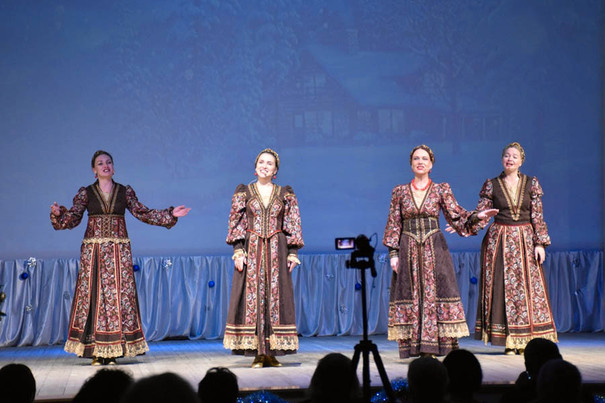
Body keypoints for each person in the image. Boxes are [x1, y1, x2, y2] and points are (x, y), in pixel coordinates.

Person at [50, 150, 190, 365]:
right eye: (100, 163)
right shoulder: (86, 193)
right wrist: (59, 214)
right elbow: (73, 218)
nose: (105, 165)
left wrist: (170, 214)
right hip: (94, 253)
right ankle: (96, 351)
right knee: (94, 298)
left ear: (113, 168)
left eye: (108, 162)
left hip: (119, 253)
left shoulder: (124, 192)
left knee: (119, 298)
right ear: (94, 170)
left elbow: (143, 212)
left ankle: (113, 351)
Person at [383, 144, 497, 358]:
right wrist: (393, 254)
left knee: (437, 293)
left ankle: (435, 347)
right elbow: (394, 223)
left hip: (434, 248)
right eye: (416, 158)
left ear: (431, 164)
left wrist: (477, 216)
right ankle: (416, 347)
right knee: (411, 293)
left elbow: (456, 214)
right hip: (408, 248)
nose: (420, 162)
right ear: (411, 164)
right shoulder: (399, 191)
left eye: (424, 159)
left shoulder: (440, 189)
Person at [472, 142, 557, 354]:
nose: (510, 159)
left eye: (514, 156)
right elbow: (482, 214)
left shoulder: (531, 183)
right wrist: (469, 222)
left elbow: (537, 215)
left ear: (521, 161)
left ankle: (526, 340)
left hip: (525, 241)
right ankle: (509, 340)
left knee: (526, 290)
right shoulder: (492, 184)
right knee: (502, 288)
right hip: (499, 241)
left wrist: (540, 243)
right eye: (507, 155)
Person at [224, 148, 304, 368]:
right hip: (252, 249)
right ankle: (258, 353)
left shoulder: (284, 193)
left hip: (277, 250)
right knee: (253, 298)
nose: (264, 166)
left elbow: (292, 223)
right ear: (255, 166)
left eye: (269, 163)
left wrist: (293, 252)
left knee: (275, 299)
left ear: (275, 170)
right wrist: (238, 250)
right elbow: (236, 222)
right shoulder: (245, 192)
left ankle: (272, 353)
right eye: (261, 162)